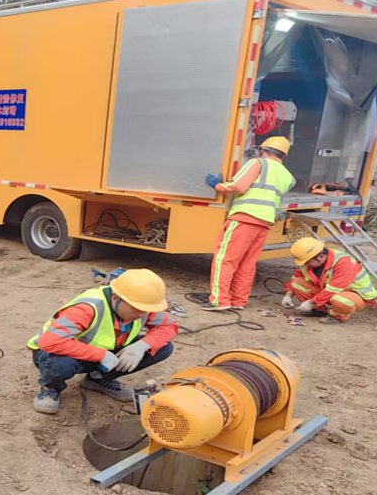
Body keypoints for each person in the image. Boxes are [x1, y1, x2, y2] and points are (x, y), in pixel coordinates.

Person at [28, 269, 178, 414]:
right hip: (59, 353)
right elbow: (50, 342)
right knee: (61, 363)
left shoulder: (142, 306)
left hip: (101, 355)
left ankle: (98, 379)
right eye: (137, 308)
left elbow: (169, 325)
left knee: (162, 347)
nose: (142, 314)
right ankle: (51, 389)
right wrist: (101, 355)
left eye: (146, 309)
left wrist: (141, 346)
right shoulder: (87, 308)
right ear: (116, 297)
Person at [201, 136, 296, 312]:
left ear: (262, 149)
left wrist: (220, 185)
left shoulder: (258, 163)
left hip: (244, 217)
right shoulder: (288, 176)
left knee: (225, 260)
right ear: (283, 155)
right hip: (265, 221)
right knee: (247, 263)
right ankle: (238, 300)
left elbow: (239, 187)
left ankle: (219, 301)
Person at [281, 238, 377, 324]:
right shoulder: (307, 262)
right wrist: (287, 296)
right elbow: (295, 278)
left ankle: (338, 316)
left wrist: (309, 303)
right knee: (297, 283)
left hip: (356, 294)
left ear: (321, 257)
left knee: (341, 300)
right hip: (330, 291)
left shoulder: (344, 262)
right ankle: (318, 311)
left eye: (308, 262)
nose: (305, 265)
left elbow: (333, 290)